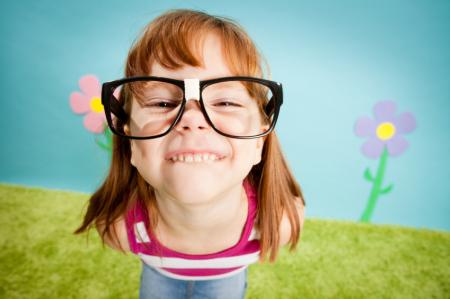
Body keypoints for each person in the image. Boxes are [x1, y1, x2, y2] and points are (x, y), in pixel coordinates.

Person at [74, 8, 306, 299]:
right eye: (160, 103)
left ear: (259, 141)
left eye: (224, 102)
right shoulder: (122, 227)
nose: (192, 119)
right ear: (131, 142)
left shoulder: (279, 221)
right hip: (159, 279)